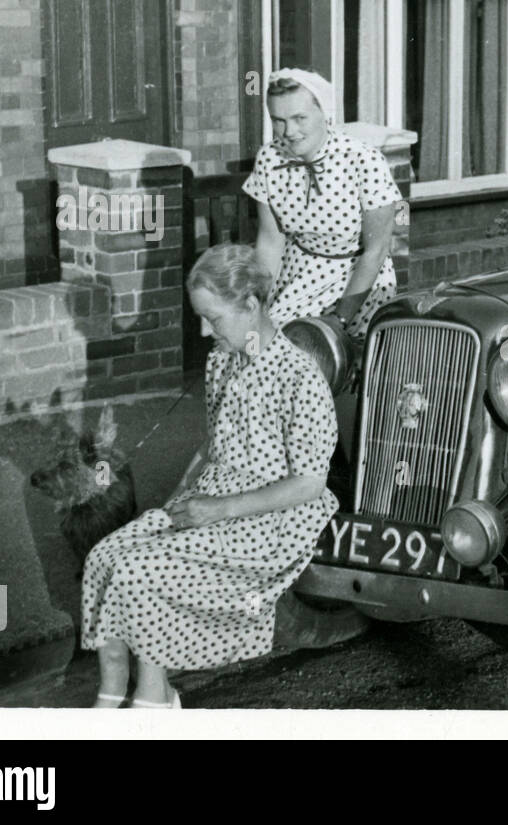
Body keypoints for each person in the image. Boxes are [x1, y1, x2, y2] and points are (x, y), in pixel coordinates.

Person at [79, 244, 338, 707]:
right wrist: (174, 503)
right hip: (213, 499)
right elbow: (210, 447)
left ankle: (154, 697)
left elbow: (309, 484)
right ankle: (111, 693)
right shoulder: (221, 360)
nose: (204, 330)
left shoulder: (299, 376)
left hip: (269, 517)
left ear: (251, 306)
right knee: (105, 555)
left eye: (213, 318)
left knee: (142, 571)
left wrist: (215, 509)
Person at [242, 67, 401, 335]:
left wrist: (339, 319)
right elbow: (270, 243)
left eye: (299, 118)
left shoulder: (363, 160)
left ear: (325, 113)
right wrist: (258, 306)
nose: (289, 131)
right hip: (299, 278)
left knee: (345, 362)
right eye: (278, 120)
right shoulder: (269, 159)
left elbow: (376, 251)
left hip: (360, 284)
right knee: (273, 354)